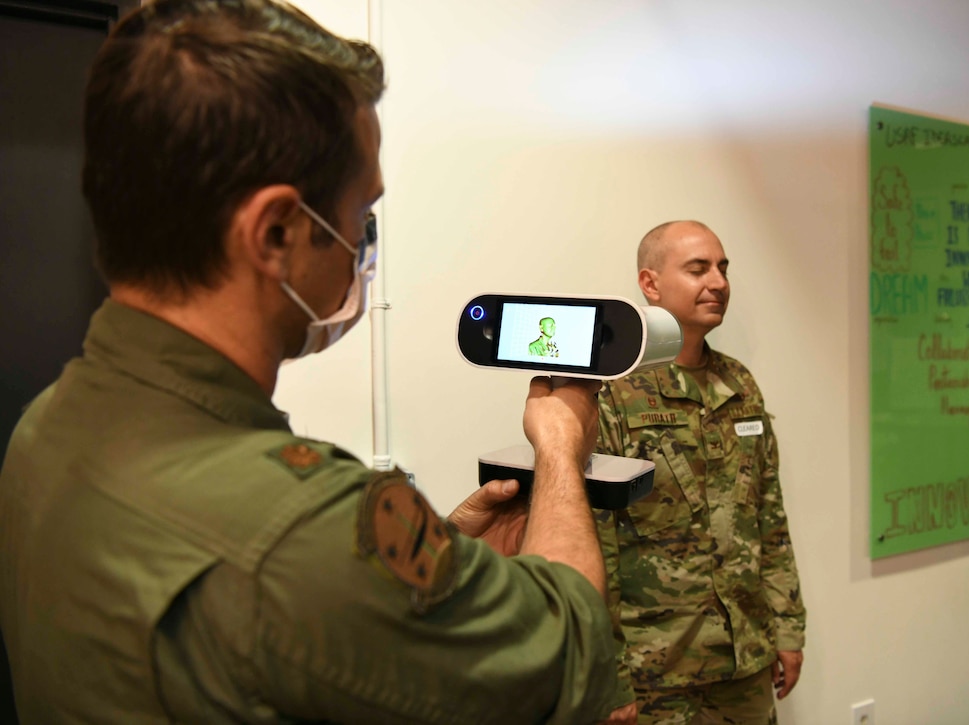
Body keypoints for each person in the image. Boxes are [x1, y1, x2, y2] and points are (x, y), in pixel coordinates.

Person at [0, 1, 619, 722]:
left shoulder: (45, 426)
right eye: (362, 217)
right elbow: (565, 648)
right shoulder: (308, 530)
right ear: (278, 233)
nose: (364, 247)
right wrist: (558, 447)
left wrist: (422, 581)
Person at [595, 221, 806, 725]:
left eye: (723, 268)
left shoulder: (738, 384)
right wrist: (605, 674)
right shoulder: (613, 391)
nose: (718, 282)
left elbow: (768, 518)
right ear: (650, 284)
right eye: (698, 269)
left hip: (744, 659)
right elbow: (593, 542)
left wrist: (788, 626)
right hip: (654, 670)